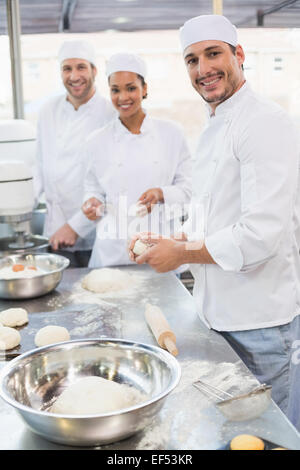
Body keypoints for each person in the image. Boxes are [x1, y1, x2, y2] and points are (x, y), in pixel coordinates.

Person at [129, 14, 300, 425]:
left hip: (260, 323)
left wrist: (182, 252)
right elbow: (210, 219)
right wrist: (169, 243)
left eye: (213, 54)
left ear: (239, 55)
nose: (203, 69)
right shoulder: (215, 125)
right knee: (231, 431)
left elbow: (260, 238)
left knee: (265, 434)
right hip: (217, 316)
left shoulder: (264, 123)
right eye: (192, 60)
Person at [81, 52, 192, 268]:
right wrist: (92, 202)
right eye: (115, 90)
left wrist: (162, 193)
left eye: (131, 88)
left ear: (145, 88)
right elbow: (92, 187)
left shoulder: (172, 134)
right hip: (113, 250)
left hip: (159, 247)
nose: (123, 97)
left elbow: (190, 189)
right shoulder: (96, 141)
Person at [33, 40, 115, 267]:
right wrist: (21, 207)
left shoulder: (111, 114)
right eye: (67, 69)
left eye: (81, 67)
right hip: (55, 232)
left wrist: (76, 226)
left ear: (94, 71)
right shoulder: (48, 110)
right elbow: (39, 165)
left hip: (93, 234)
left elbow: (111, 184)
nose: (74, 75)